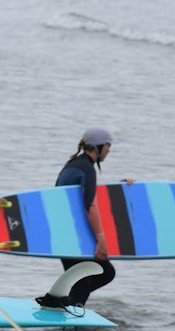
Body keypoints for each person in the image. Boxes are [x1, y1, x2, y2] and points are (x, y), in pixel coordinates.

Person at [38, 126, 117, 307]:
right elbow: (90, 205)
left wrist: (123, 188)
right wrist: (101, 238)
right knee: (84, 283)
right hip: (72, 238)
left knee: (103, 273)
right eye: (108, 146)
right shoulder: (87, 169)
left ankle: (56, 303)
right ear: (98, 146)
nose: (109, 150)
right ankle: (69, 319)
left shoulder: (72, 165)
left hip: (64, 234)